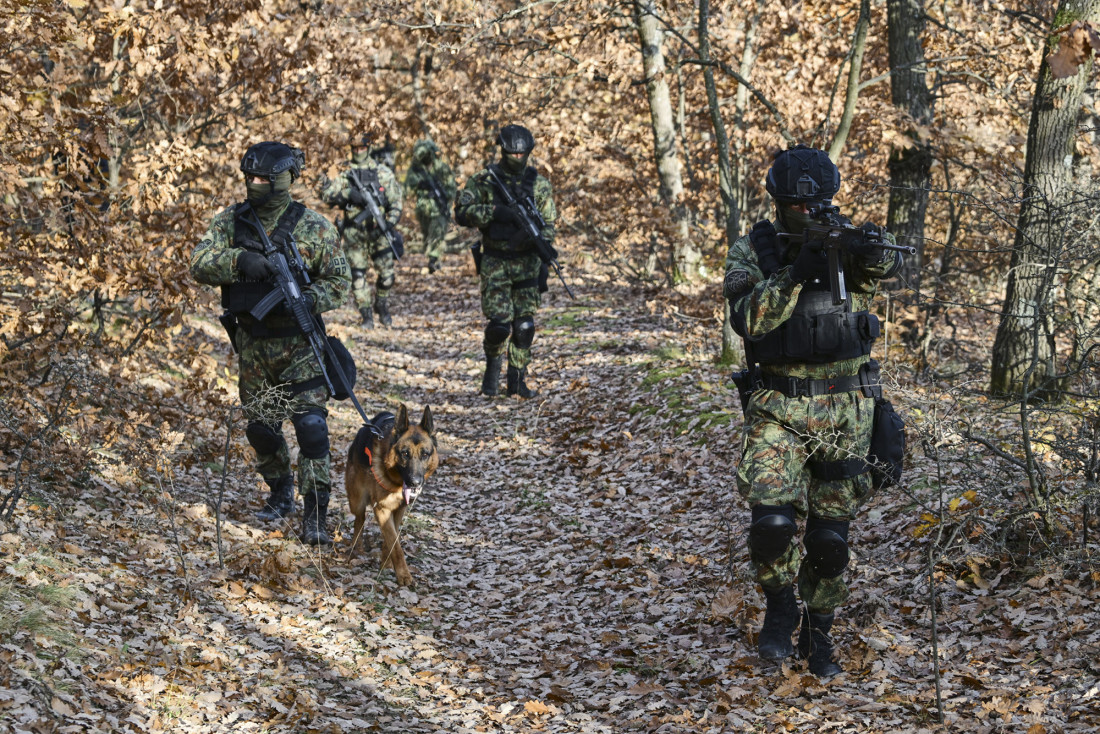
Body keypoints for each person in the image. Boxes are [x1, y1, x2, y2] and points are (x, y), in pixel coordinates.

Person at [722, 144, 904, 678]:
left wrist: (866, 247)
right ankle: (780, 606)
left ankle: (819, 632)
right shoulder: (753, 249)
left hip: (845, 408)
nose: (810, 215)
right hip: (777, 405)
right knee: (772, 526)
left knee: (829, 541)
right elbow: (748, 320)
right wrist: (793, 273)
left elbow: (883, 268)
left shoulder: (842, 241)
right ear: (778, 204)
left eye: (819, 205)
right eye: (799, 208)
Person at [190, 141, 351, 546]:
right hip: (254, 350)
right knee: (262, 430)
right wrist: (238, 261)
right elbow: (198, 262)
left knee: (312, 429)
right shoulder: (231, 222)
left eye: (264, 178)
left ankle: (315, 515)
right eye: (250, 178)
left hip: (300, 346)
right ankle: (280, 493)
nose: (255, 184)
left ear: (287, 179)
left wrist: (306, 298)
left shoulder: (314, 226)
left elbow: (340, 280)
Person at [454, 124, 557, 399]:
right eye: (513, 153)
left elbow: (548, 224)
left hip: (528, 264)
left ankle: (517, 382)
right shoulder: (484, 181)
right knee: (499, 326)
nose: (518, 158)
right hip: (496, 262)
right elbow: (462, 213)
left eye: (522, 154)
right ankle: (491, 374)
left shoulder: (539, 184)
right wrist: (496, 213)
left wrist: (544, 252)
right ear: (503, 150)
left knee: (525, 327)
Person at [320, 134, 404, 328]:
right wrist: (347, 194)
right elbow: (327, 195)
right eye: (355, 148)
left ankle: (381, 303)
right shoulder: (345, 172)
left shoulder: (382, 173)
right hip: (354, 232)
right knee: (357, 275)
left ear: (369, 148)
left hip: (379, 232)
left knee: (387, 276)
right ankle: (366, 315)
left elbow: (396, 202)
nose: (358, 152)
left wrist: (389, 223)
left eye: (362, 148)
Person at [404, 139, 457, 273]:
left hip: (439, 209)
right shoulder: (415, 170)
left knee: (437, 233)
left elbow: (451, 189)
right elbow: (408, 189)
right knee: (428, 236)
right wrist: (420, 183)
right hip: (423, 209)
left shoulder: (441, 168)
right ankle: (433, 257)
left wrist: (444, 196)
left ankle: (433, 260)